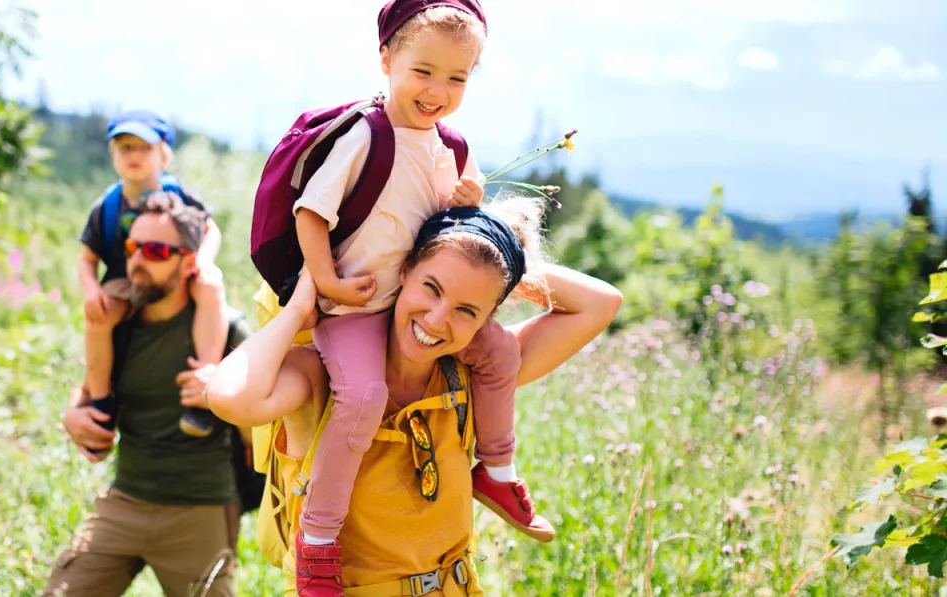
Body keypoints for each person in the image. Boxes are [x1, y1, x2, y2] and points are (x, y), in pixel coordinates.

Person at [207, 201, 623, 595]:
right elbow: (229, 398)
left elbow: (600, 303)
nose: (437, 319)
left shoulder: (472, 378)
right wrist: (299, 310)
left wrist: (496, 260)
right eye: (432, 287)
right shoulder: (323, 375)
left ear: (485, 319)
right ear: (402, 271)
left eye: (467, 310)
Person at [274, 1, 548, 591]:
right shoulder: (363, 136)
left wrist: (468, 202)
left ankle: (496, 470)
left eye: (457, 78)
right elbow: (311, 213)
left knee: (499, 353)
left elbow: (449, 235)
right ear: (386, 60)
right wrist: (326, 282)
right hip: (354, 307)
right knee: (364, 395)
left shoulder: (449, 145)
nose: (438, 90)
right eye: (423, 71)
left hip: (415, 307)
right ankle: (318, 539)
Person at [45, 193, 252, 597]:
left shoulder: (226, 329)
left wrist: (221, 393)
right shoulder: (116, 322)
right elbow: (87, 389)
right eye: (131, 248)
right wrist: (72, 416)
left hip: (201, 509)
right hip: (126, 500)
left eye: (155, 250)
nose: (138, 260)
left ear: (189, 261)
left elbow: (265, 427)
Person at [78, 110, 228, 441]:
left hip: (177, 272)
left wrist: (202, 260)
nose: (134, 156)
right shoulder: (107, 205)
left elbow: (209, 229)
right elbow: (87, 260)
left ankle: (203, 386)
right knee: (98, 318)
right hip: (124, 280)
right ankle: (101, 402)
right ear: (112, 154)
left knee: (210, 285)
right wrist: (91, 291)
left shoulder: (180, 195)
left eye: (144, 148)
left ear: (164, 154)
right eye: (124, 147)